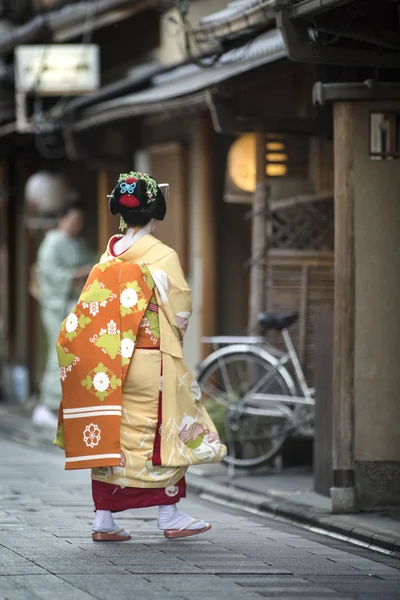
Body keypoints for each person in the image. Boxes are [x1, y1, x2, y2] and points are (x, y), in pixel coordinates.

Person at [54, 172, 226, 541]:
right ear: (155, 210)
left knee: (112, 434)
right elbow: (180, 310)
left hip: (110, 362)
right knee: (160, 432)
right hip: (150, 358)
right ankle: (169, 513)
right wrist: (170, 340)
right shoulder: (162, 255)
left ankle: (104, 518)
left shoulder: (108, 255)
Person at [33, 202, 93, 427]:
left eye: (80, 221)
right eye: (74, 220)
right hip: (55, 304)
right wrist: (78, 273)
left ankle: (64, 405)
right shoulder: (52, 242)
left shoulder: (78, 242)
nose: (78, 225)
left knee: (72, 354)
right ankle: (48, 404)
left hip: (72, 304)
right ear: (62, 219)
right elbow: (51, 274)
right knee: (58, 352)